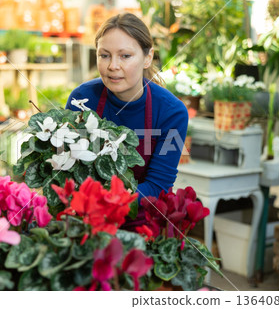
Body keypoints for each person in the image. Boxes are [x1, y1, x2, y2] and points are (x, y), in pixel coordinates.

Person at [66, 13, 188, 221]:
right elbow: (68, 169)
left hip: (142, 223)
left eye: (125, 56)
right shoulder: (83, 99)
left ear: (147, 58)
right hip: (85, 218)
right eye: (104, 55)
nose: (113, 66)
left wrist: (106, 200)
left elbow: (158, 186)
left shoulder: (171, 113)